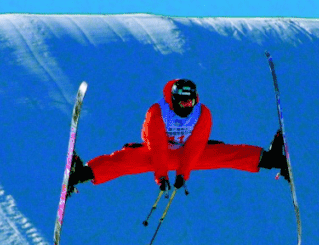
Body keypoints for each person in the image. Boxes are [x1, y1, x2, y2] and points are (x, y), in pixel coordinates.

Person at [67, 78, 288, 194]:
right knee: (126, 160)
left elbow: (196, 145)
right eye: (182, 102)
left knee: (222, 153)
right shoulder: (157, 112)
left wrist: (183, 173)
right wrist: (162, 176)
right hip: (157, 151)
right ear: (173, 100)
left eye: (190, 101)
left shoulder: (202, 113)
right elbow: (157, 146)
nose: (187, 106)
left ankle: (271, 159)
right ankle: (81, 173)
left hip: (185, 151)